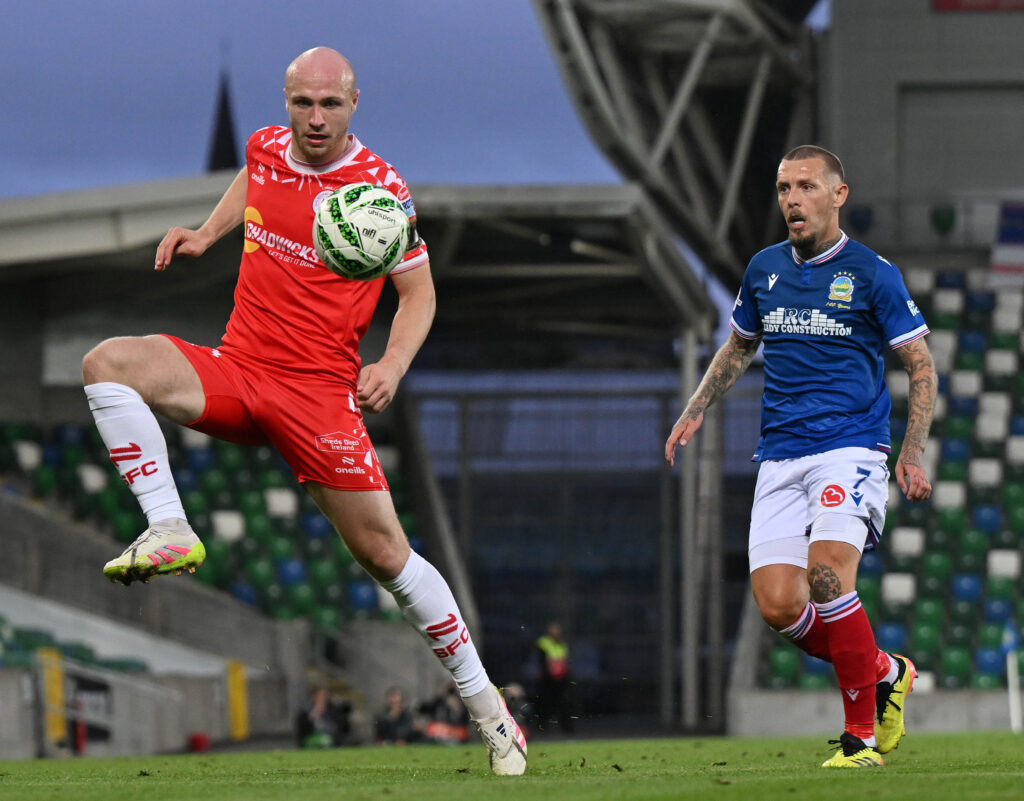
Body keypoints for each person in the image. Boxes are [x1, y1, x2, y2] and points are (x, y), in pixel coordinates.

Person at [80, 46, 526, 776]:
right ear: (286, 102)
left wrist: (391, 364)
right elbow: (252, 177)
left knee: (387, 556)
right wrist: (205, 232)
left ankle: (489, 712)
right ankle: (169, 525)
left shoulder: (380, 191)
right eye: (301, 103)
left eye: (330, 104)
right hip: (239, 368)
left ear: (354, 103)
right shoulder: (264, 146)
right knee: (107, 364)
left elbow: (420, 293)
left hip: (319, 397)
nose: (314, 118)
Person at [665, 145, 936, 768]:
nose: (792, 198)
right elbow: (738, 346)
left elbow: (921, 364)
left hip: (850, 449)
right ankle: (886, 673)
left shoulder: (872, 273)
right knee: (779, 604)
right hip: (781, 455)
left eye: (806, 186)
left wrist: (912, 450)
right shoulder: (763, 269)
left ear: (839, 195)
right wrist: (696, 406)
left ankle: (859, 739)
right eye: (784, 187)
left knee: (827, 579)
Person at [534, 622, 573, 732]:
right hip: (547, 679)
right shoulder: (543, 643)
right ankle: (542, 727)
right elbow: (541, 661)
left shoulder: (562, 644)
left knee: (563, 703)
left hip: (561, 679)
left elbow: (565, 660)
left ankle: (567, 728)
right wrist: (551, 671)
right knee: (545, 703)